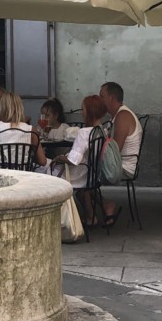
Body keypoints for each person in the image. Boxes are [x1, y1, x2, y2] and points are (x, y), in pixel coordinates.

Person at [52, 94, 120, 225]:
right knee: (82, 191)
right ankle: (90, 216)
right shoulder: (103, 131)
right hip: (92, 174)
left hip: (79, 175)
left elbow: (73, 160)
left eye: (83, 109)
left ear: (90, 112)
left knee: (43, 171)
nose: (82, 113)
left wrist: (61, 158)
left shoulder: (84, 133)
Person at [0, 90, 47, 168]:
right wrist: (28, 159)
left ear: (1, 108)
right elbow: (43, 161)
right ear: (20, 108)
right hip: (22, 176)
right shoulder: (30, 130)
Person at [99, 82, 143, 181]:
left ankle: (87, 195)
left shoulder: (123, 116)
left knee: (85, 168)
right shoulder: (117, 116)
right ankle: (91, 195)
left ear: (111, 98)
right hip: (118, 165)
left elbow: (114, 151)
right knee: (85, 165)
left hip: (123, 168)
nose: (99, 100)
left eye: (102, 97)